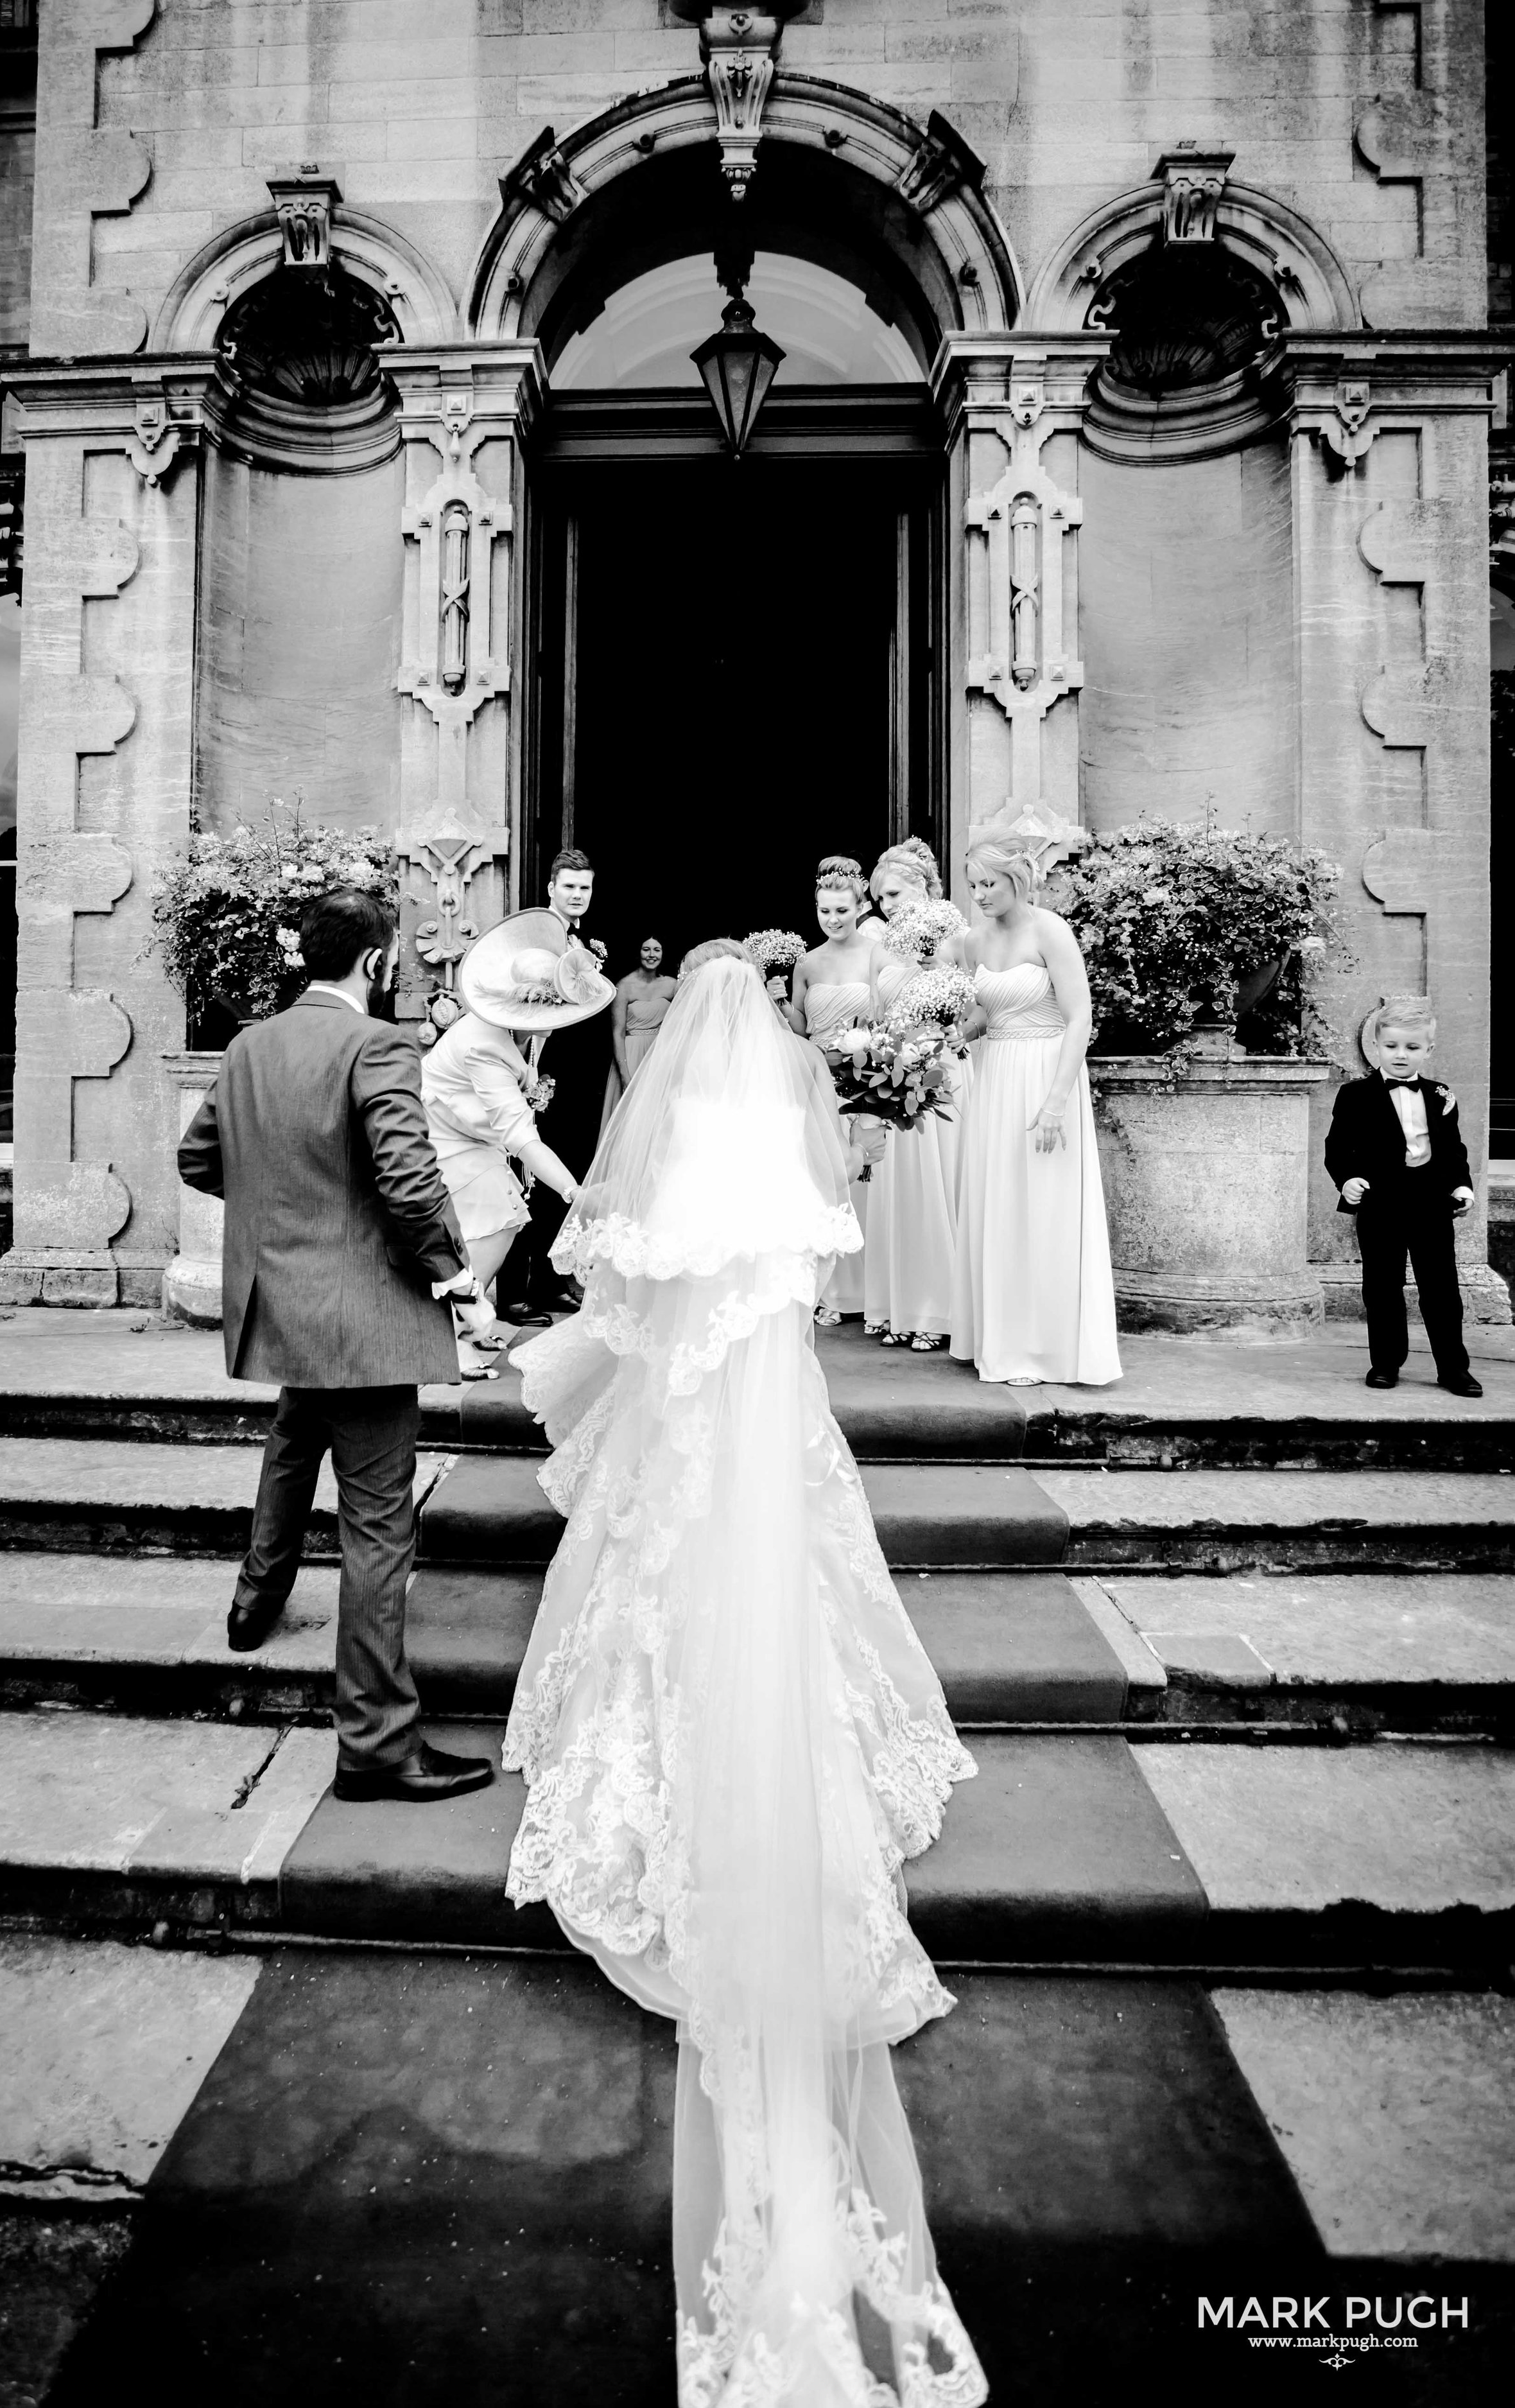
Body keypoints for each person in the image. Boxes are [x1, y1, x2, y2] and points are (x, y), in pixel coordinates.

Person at [502, 948, 985, 2407]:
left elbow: (637, 1307)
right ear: (765, 1045)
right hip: (773, 1462)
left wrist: (585, 1361)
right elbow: (802, 1298)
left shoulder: (673, 1159)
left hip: (690, 1459)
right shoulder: (786, 1147)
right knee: (795, 1626)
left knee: (653, 1627)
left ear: (676, 1063)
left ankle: (652, 1813)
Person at [177, 887, 498, 1804]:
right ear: (375, 962)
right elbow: (405, 1178)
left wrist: (284, 1222)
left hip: (283, 1306)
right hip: (359, 1318)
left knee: (292, 1442)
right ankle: (377, 1744)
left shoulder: (248, 1044)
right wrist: (460, 1281)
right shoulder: (378, 1043)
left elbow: (199, 1159)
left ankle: (255, 1600)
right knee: (378, 1528)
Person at [948, 837, 1121, 1386]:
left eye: (989, 884)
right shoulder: (973, 941)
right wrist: (946, 1031)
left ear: (1016, 881)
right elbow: (983, 1012)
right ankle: (998, 1338)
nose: (979, 895)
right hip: (994, 1076)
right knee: (999, 1203)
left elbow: (1079, 1017)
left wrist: (1056, 1101)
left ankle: (1042, 1349)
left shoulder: (1050, 929)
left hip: (1046, 1073)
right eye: (972, 885)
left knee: (1042, 1207)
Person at [420, 910, 615, 1375]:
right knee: (499, 1223)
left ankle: (461, 1328)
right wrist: (575, 1192)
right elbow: (520, 1135)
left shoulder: (516, 1034)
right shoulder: (484, 1043)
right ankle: (459, 1341)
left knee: (492, 1227)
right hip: (447, 1141)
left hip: (473, 1140)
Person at [1324, 993, 1480, 1396]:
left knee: (1441, 1287)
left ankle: (1453, 1368)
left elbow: (1452, 1150)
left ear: (1429, 1049)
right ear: (1376, 1046)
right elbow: (1338, 1148)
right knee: (1382, 1286)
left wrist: (1461, 1185)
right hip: (1381, 1203)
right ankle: (1386, 1363)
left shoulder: (1441, 1095)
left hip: (1430, 1201)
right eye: (1391, 1046)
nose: (1400, 1055)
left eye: (1412, 1047)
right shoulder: (1355, 1096)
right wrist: (1347, 1179)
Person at [498, 848, 609, 1323]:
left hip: (582, 1077)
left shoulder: (592, 940)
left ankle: (548, 1282)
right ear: (551, 889)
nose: (578, 895)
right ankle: (512, 1293)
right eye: (569, 887)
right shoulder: (533, 940)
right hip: (542, 1073)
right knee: (530, 1182)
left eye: (585, 887)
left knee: (568, 1183)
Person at [863, 842, 963, 1350]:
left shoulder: (953, 937)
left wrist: (930, 962)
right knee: (898, 1194)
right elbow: (878, 1015)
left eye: (895, 893)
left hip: (940, 1075)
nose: (887, 905)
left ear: (924, 887)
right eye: (880, 899)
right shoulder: (880, 948)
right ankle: (896, 1303)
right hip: (896, 1076)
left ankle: (937, 1309)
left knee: (933, 1192)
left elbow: (970, 1006)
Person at [790, 859, 887, 1325]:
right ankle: (833, 1292)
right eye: (824, 911)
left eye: (842, 911)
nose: (832, 920)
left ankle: (874, 1294)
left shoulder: (876, 956)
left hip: (866, 1083)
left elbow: (890, 1022)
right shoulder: (807, 962)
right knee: (823, 1183)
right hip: (818, 1085)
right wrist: (777, 1004)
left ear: (860, 906)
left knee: (869, 1185)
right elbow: (800, 1029)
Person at [598, 933, 677, 1133]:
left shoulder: (672, 985)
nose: (651, 955)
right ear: (638, 952)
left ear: (663, 953)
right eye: (646, 949)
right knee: (630, 1120)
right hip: (631, 1056)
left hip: (660, 1055)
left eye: (656, 950)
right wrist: (625, 1075)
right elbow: (618, 1033)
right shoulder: (625, 986)